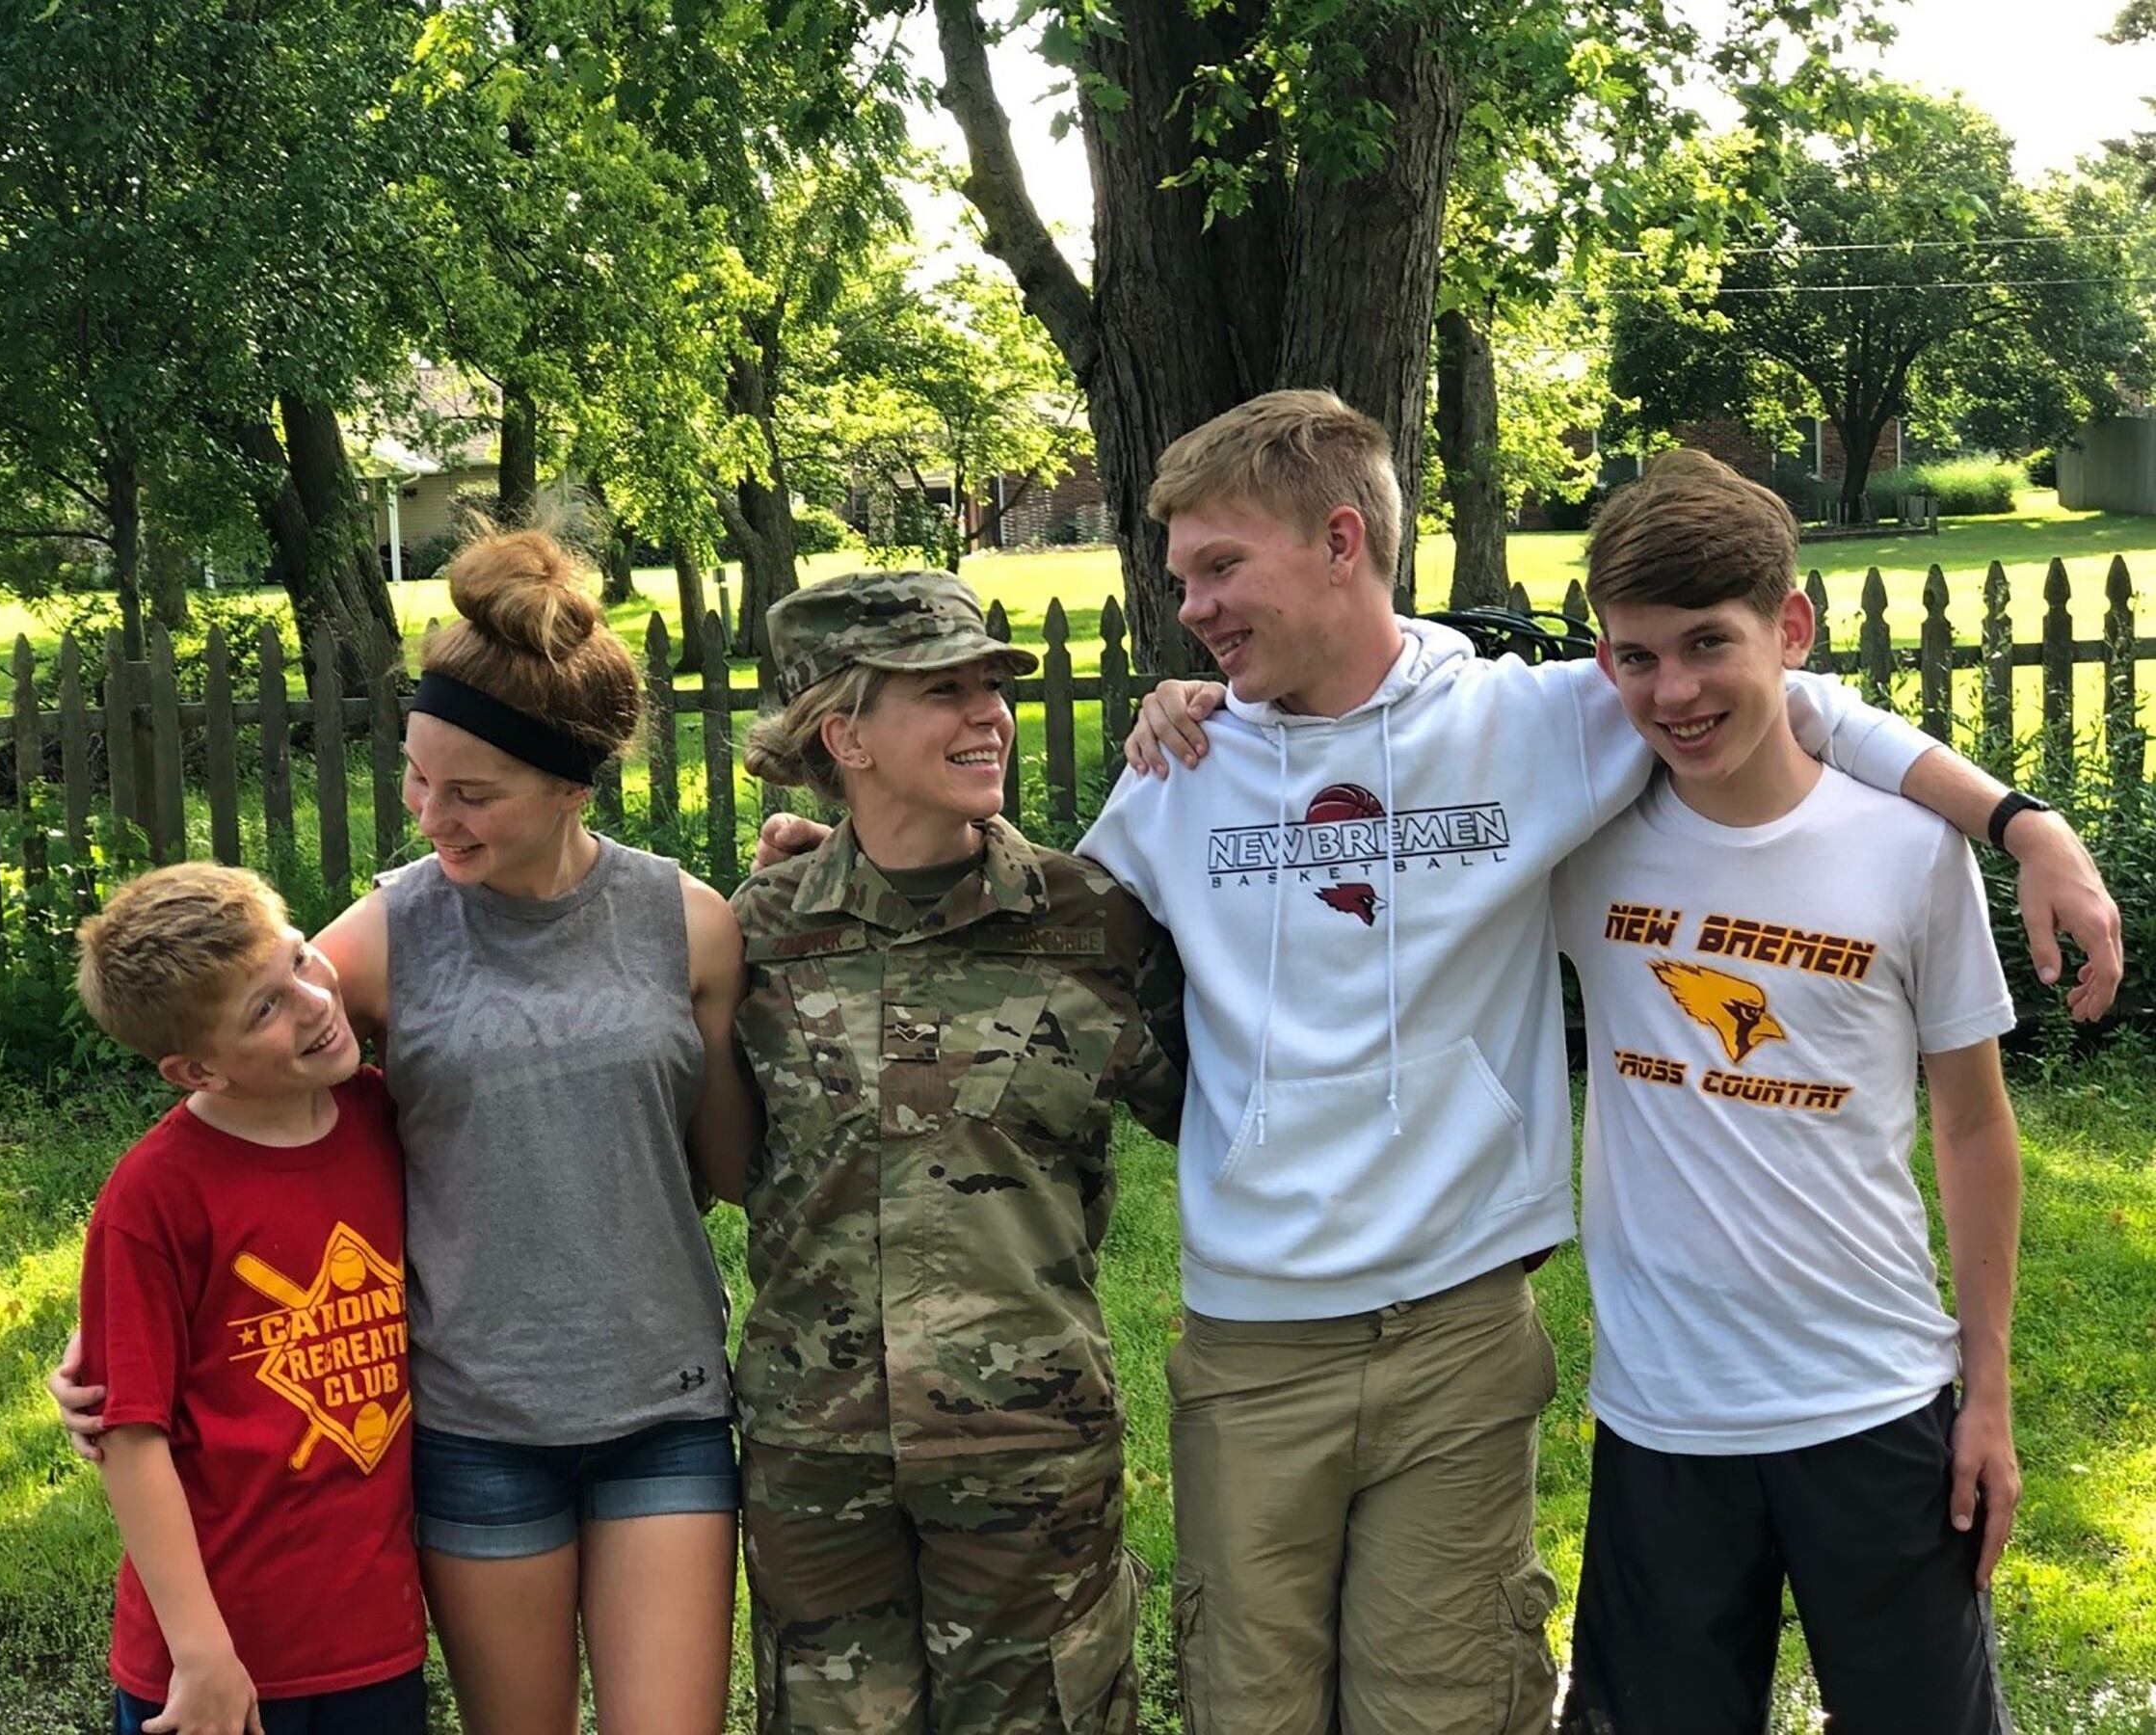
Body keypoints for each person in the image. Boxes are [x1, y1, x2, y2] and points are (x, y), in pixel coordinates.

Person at [785, 389, 2116, 1734]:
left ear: (1342, 541)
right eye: (1182, 575)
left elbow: (1787, 696)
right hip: (1254, 1341)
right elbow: (1040, 922)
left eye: (1219, 566)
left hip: (1461, 1331)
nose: (1189, 605)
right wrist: (845, 852)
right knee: (1252, 1707)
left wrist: (2020, 824)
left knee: (1447, 1709)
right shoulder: (1182, 765)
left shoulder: (1532, 726)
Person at [59, 527, 759, 1735]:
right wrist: (101, 1347)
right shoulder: (388, 935)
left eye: (472, 794)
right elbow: (233, 1065)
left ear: (572, 785)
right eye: (417, 776)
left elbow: (729, 1167)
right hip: (473, 1425)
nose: (432, 814)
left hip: (665, 1405)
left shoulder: (686, 927)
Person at [1550, 451, 2023, 1733]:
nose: (1675, 691)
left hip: (1874, 1401)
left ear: (1791, 630)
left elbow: (1974, 1127)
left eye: (1710, 644)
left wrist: (1988, 1394)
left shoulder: (1908, 852)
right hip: (1663, 1416)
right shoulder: (1579, 839)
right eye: (1635, 656)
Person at [732, 570, 1185, 1734]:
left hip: (1030, 1445)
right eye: (944, 690)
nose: (988, 712)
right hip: (815, 1453)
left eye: (993, 685)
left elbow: (1232, 1115)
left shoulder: (1095, 925)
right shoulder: (756, 937)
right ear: (847, 735)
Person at [72, 862, 426, 1735]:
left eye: (302, 960)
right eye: (264, 1009)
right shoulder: (154, 1200)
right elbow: (130, 1435)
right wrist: (201, 1655)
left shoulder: (387, 1120)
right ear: (196, 1070)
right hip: (213, 1664)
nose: (311, 1001)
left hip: (372, 1640)